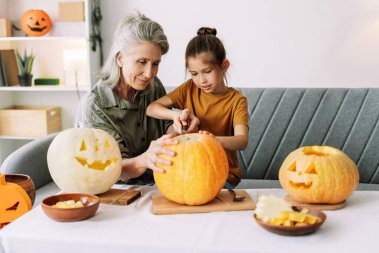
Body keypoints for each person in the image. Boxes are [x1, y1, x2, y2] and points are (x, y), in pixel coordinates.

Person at [76, 13, 177, 185]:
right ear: (120, 58)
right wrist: (146, 159)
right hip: (117, 192)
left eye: (155, 64)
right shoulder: (95, 106)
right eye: (141, 62)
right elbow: (113, 169)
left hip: (160, 183)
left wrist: (179, 125)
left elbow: (167, 132)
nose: (149, 73)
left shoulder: (153, 85)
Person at [146, 27, 249, 188]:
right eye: (194, 74)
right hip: (186, 170)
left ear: (224, 65)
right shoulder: (188, 89)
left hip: (222, 174)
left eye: (207, 71)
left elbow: (242, 140)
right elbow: (151, 108)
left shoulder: (237, 101)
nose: (201, 80)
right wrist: (176, 116)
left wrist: (214, 141)